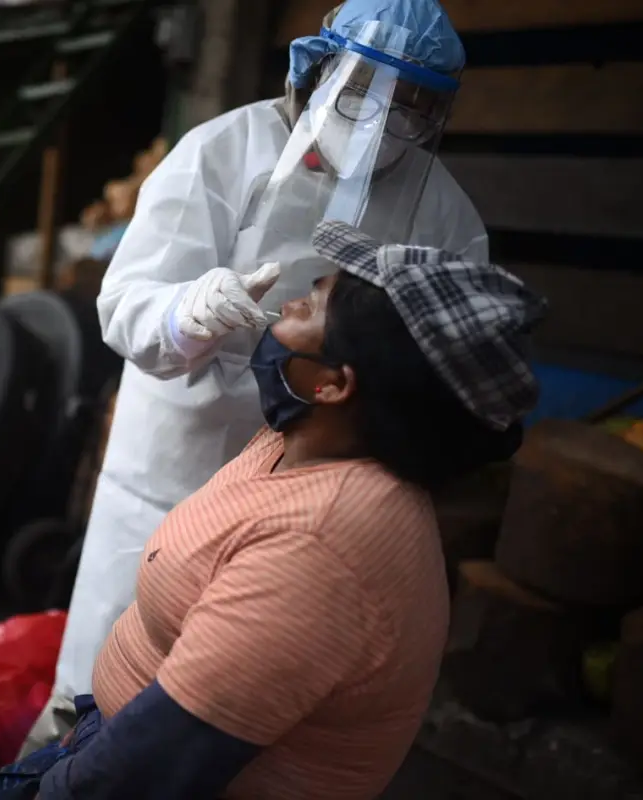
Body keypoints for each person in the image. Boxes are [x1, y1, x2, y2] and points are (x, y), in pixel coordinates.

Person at [30, 0, 491, 751]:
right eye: (363, 89)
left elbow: (459, 347)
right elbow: (124, 303)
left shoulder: (441, 209)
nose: (382, 119)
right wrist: (188, 313)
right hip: (171, 472)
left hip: (313, 499)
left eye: (411, 104)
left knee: (231, 712)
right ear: (318, 69)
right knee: (100, 691)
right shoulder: (225, 150)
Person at [0, 220, 545, 799]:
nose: (283, 309)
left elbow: (144, 769)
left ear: (332, 384)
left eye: (307, 305)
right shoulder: (305, 440)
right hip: (104, 735)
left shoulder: (321, 549)